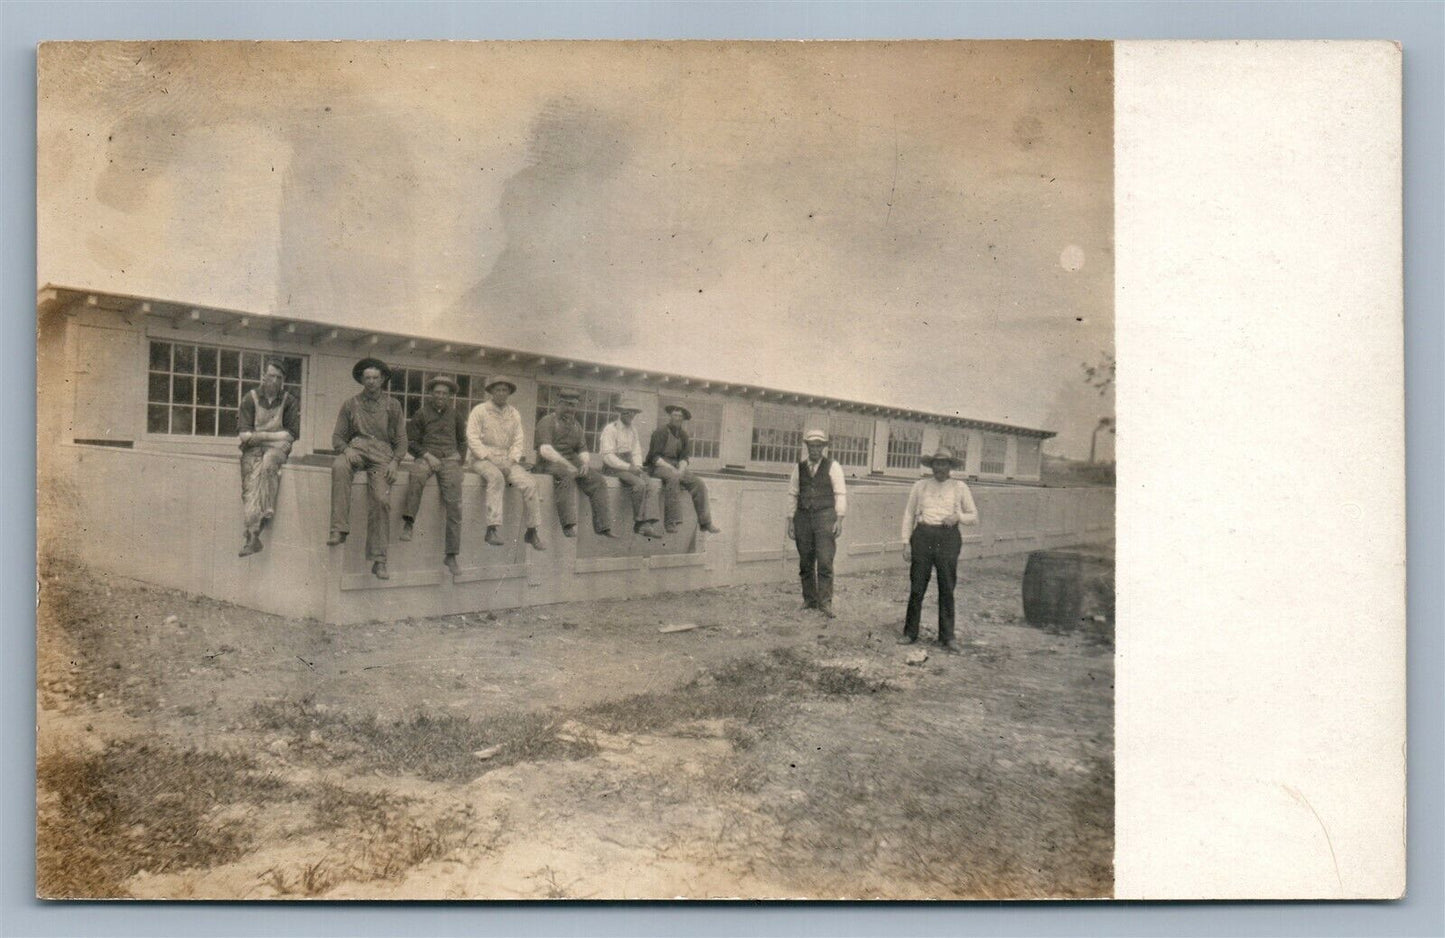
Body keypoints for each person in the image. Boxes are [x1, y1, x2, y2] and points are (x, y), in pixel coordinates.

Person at [328, 357, 407, 580]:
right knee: (340, 466)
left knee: (381, 499)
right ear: (362, 380)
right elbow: (337, 436)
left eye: (375, 378)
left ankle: (379, 559)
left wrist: (395, 462)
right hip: (358, 449)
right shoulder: (350, 404)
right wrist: (346, 450)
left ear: (382, 380)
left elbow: (401, 440)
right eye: (367, 378)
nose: (371, 382)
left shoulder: (393, 406)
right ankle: (338, 529)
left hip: (382, 455)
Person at [898, 447, 980, 652]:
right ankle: (910, 633)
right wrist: (906, 542)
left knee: (946, 587)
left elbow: (973, 516)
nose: (940, 468)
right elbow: (909, 514)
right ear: (931, 465)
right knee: (917, 587)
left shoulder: (960, 487)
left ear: (950, 467)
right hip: (923, 536)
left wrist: (958, 517)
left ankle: (947, 636)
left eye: (944, 464)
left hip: (948, 538)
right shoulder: (920, 486)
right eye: (936, 464)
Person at [466, 375, 545, 551]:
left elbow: (518, 441)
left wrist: (510, 461)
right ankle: (492, 529)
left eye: (505, 390)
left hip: (506, 459)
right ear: (492, 392)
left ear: (509, 393)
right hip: (481, 458)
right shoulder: (480, 410)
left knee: (530, 483)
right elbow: (472, 439)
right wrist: (492, 459)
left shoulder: (513, 413)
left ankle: (532, 531)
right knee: (496, 478)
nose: (501, 393)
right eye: (498, 390)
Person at [400, 375, 468, 577]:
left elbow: (463, 442)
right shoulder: (421, 414)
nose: (440, 396)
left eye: (444, 394)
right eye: (437, 392)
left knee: (455, 504)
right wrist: (428, 456)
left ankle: (451, 554)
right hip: (427, 457)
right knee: (417, 476)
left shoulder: (456, 416)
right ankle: (408, 523)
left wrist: (459, 458)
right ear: (431, 394)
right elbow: (411, 442)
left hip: (449, 460)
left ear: (450, 397)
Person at [236, 359, 300, 557]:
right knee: (250, 486)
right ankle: (253, 536)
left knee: (269, 463)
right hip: (253, 449)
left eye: (279, 378)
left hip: (276, 450)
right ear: (263, 376)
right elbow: (244, 434)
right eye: (271, 376)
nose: (274, 380)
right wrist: (273, 436)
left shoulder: (289, 400)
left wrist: (259, 436)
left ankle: (266, 512)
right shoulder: (250, 398)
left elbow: (291, 434)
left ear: (284, 381)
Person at [534, 388, 617, 539]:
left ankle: (603, 526)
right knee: (566, 474)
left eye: (573, 406)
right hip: (548, 464)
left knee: (598, 480)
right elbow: (545, 450)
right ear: (559, 404)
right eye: (567, 405)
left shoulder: (576, 425)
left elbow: (582, 448)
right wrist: (567, 464)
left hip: (570, 462)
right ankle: (568, 524)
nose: (571, 409)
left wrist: (584, 463)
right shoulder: (547, 421)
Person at [787, 428, 847, 618]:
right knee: (805, 560)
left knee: (825, 560)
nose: (814, 449)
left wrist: (839, 519)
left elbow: (840, 494)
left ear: (823, 447)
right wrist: (790, 521)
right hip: (803, 517)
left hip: (825, 516)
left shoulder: (833, 466)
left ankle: (825, 602)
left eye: (818, 446)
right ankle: (809, 599)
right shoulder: (799, 468)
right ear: (807, 447)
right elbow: (792, 494)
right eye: (811, 446)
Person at [645, 404, 721, 535]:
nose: (677, 418)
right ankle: (671, 522)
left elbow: (684, 457)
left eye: (680, 416)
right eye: (675, 415)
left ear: (683, 419)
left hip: (675, 466)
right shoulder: (660, 432)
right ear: (670, 416)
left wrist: (681, 469)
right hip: (658, 466)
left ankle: (705, 522)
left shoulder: (684, 435)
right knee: (673, 478)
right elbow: (654, 457)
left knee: (698, 483)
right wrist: (672, 469)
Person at [598, 397, 663, 539]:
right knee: (639, 484)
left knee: (651, 484)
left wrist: (637, 466)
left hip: (630, 466)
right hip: (613, 467)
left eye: (633, 413)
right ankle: (639, 522)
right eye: (627, 413)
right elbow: (608, 456)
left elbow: (636, 451)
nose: (631, 416)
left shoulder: (633, 430)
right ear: (621, 413)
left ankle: (648, 524)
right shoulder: (611, 429)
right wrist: (628, 467)